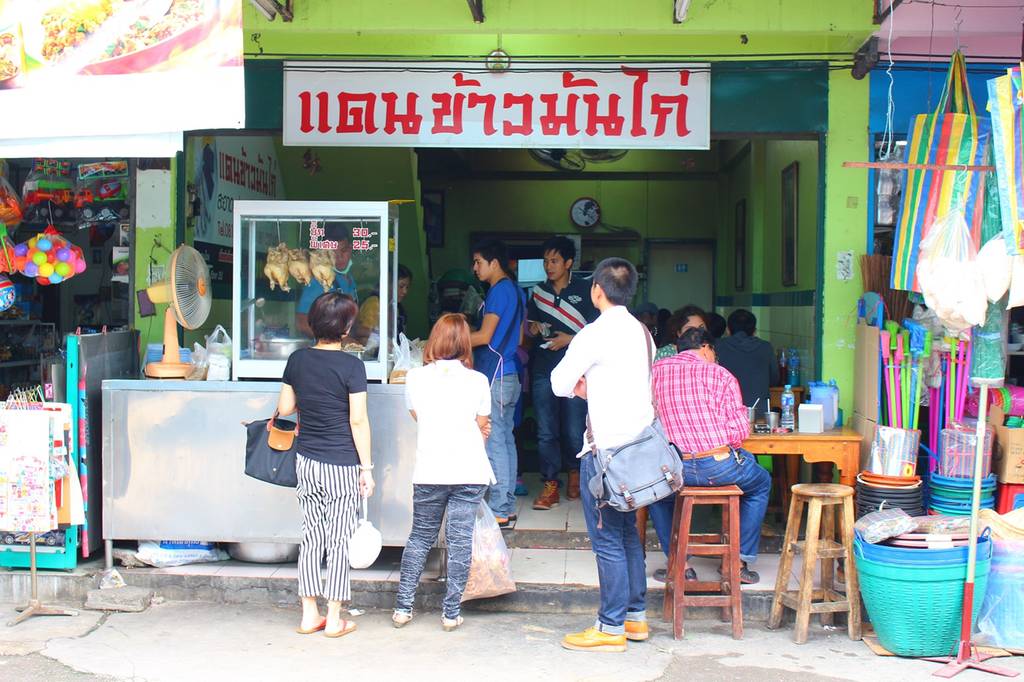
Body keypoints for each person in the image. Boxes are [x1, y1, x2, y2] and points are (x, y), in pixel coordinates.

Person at [551, 257, 654, 652]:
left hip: (606, 451)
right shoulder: (642, 332)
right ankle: (636, 618)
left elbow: (560, 382)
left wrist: (582, 386)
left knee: (607, 539)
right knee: (628, 535)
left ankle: (610, 627)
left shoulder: (593, 334)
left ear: (597, 289)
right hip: (637, 450)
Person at [276, 292, 374, 638]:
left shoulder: (297, 360)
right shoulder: (352, 366)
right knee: (338, 541)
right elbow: (358, 422)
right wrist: (367, 469)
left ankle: (308, 615)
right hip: (342, 465)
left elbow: (286, 408)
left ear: (314, 324)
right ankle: (334, 618)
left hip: (307, 462)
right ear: (346, 329)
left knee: (312, 538)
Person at [393, 313, 494, 632]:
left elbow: (416, 415)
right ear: (465, 342)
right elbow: (483, 423)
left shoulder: (415, 377)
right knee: (460, 540)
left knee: (420, 537)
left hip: (430, 470)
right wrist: (474, 427)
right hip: (469, 470)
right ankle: (450, 613)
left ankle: (403, 608)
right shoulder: (478, 380)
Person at [651, 327, 771, 584]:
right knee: (761, 483)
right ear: (705, 348)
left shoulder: (655, 372)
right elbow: (738, 433)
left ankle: (678, 564)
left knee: (658, 495)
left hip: (672, 469)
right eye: (714, 351)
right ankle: (736, 562)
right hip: (717, 468)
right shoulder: (720, 375)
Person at [527, 236, 598, 510]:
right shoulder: (538, 292)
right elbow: (531, 327)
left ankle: (575, 472)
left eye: (554, 260)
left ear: (568, 262)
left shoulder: (586, 290)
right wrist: (533, 330)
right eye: (545, 261)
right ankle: (550, 483)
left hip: (576, 371)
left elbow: (595, 332)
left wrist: (570, 339)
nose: (549, 266)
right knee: (546, 431)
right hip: (544, 367)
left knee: (572, 429)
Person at [469, 239, 525, 528]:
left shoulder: (498, 291)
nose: (474, 268)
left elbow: (485, 336)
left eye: (478, 261)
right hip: (511, 371)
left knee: (494, 440)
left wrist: (449, 338)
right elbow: (518, 337)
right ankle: (508, 505)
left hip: (496, 374)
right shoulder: (516, 290)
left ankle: (500, 507)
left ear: (494, 263)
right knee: (505, 438)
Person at [715, 309, 779, 416]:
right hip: (758, 413)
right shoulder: (766, 347)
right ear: (755, 331)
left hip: (726, 413)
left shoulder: (717, 346)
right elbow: (774, 380)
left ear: (727, 330)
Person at [296, 235, 359, 338]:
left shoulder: (350, 279)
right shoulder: (319, 281)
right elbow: (302, 324)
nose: (339, 257)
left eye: (343, 250)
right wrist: (333, 342)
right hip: (323, 351)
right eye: (333, 253)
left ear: (351, 249)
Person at [352, 264, 412, 346]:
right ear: (387, 283)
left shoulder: (396, 306)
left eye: (407, 287)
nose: (405, 291)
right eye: (401, 286)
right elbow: (360, 331)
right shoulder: (374, 303)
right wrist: (381, 338)